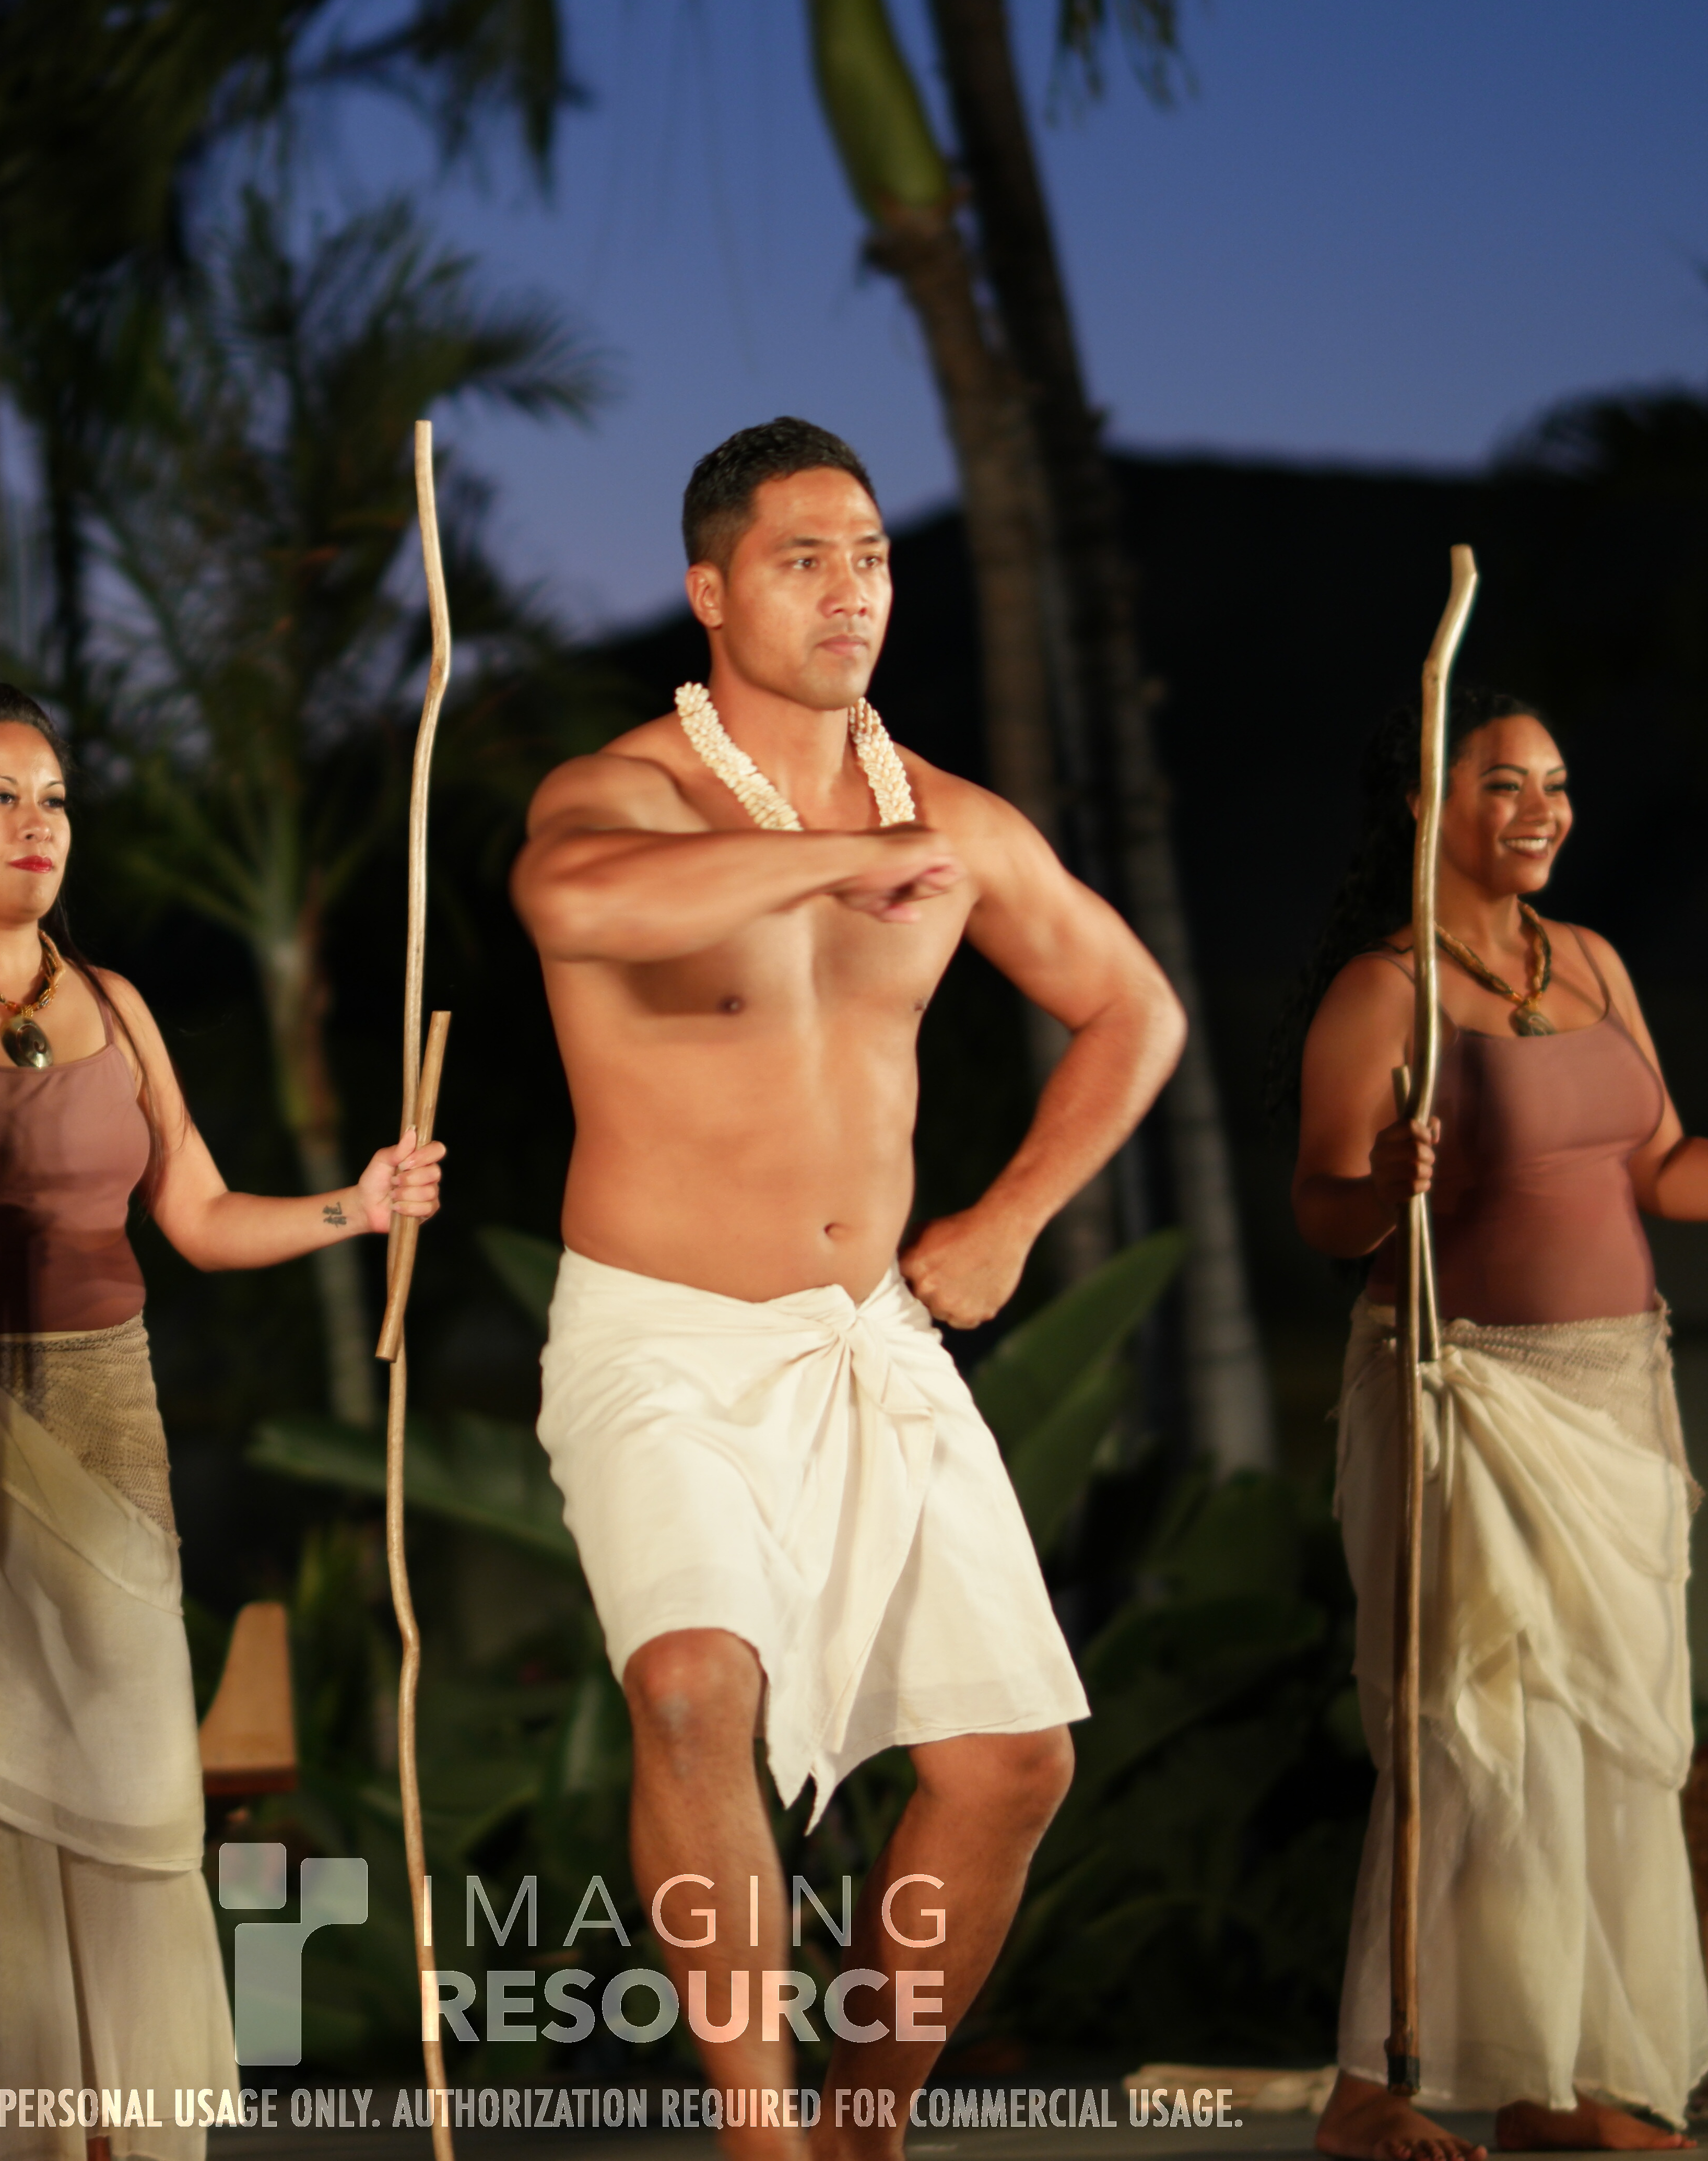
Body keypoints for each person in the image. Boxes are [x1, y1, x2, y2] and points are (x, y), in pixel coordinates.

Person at [510, 418, 1180, 2158]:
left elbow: (1136, 1008)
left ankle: (863, 2127)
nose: (849, 590)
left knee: (1011, 1761)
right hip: (660, 1336)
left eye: (870, 556)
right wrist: (825, 859)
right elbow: (576, 904)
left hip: (868, 1336)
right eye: (803, 558)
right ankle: (762, 2143)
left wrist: (1014, 1216)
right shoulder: (625, 791)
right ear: (709, 589)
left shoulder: (953, 821)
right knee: (692, 1690)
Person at [0, 685, 442, 2161]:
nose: (38, 824)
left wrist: (358, 1206)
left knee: (129, 1784)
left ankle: (117, 2137)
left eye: (55, 797)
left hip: (105, 1416)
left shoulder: (116, 1004)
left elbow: (196, 1212)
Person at [1285, 693, 1708, 2160]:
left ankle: (1555, 2087)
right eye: (1505, 784)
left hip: (1614, 1388)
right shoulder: (1385, 991)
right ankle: (1371, 2086)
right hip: (1461, 1389)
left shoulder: (1595, 962)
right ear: (1428, 804)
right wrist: (1387, 1185)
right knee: (1477, 1734)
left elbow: (1665, 1169)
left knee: (1605, 1741)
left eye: (1556, 783)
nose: (1544, 808)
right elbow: (1323, 1208)